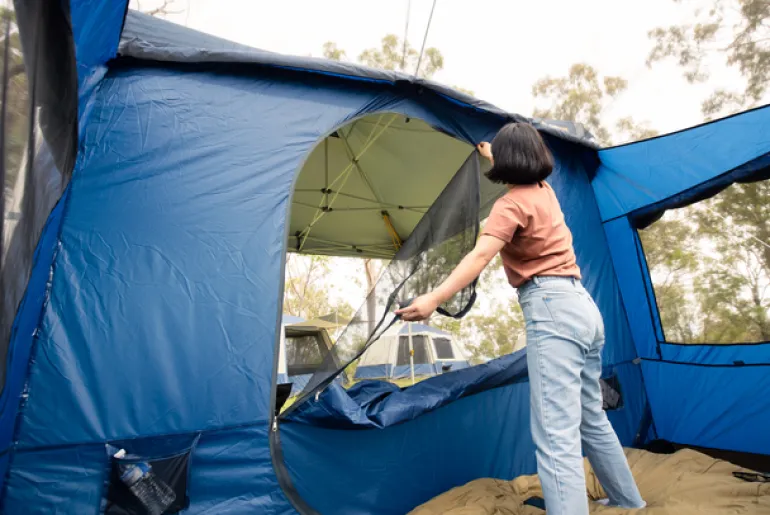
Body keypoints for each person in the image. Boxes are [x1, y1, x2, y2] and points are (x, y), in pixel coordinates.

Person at [395, 122, 645, 515]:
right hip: (585, 308)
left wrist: (433, 299)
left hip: (553, 311)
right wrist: (494, 154)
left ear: (510, 161)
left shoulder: (509, 206)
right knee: (591, 418)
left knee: (555, 434)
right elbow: (519, 168)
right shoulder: (544, 193)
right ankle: (630, 503)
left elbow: (480, 256)